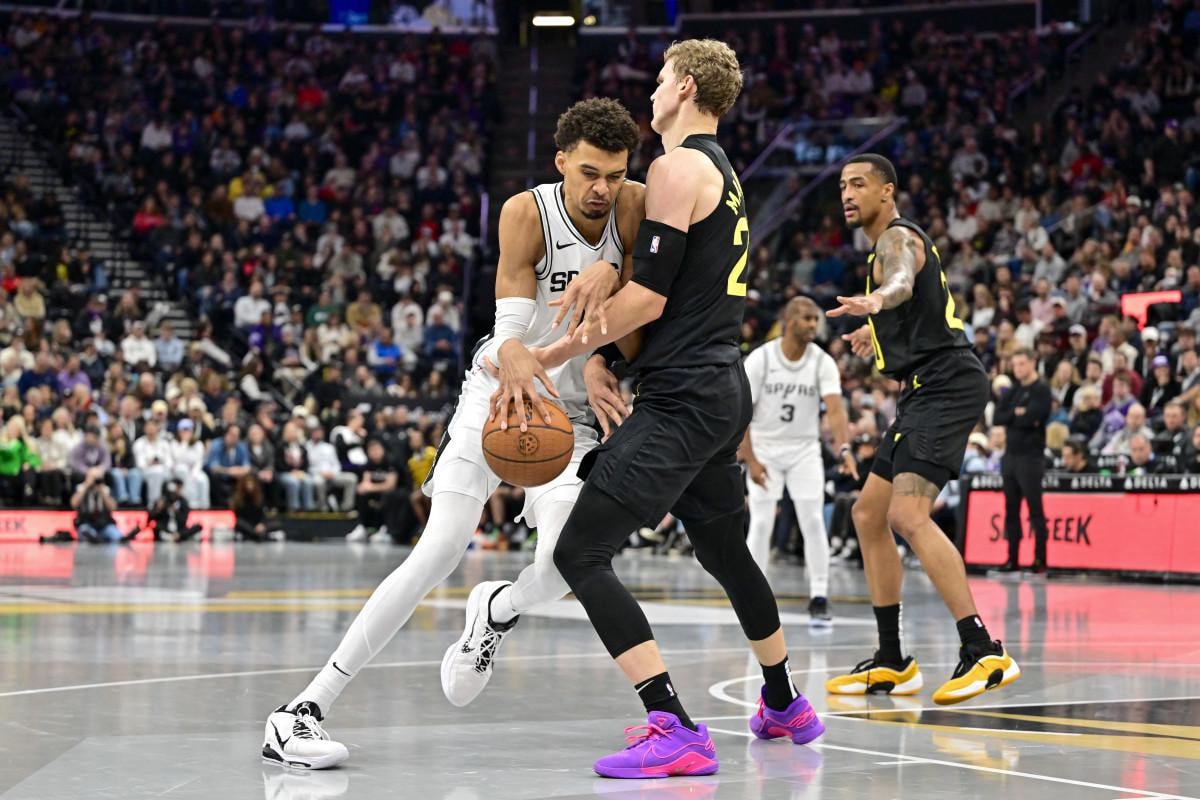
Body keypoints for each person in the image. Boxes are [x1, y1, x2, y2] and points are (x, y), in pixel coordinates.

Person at [262, 97, 645, 770]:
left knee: (567, 566)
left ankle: (496, 610)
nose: (602, 189)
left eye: (614, 175)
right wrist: (519, 352)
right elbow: (510, 331)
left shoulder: (635, 208)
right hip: (499, 393)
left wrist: (608, 328)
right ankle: (301, 711)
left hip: (573, 417)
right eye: (589, 173)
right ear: (561, 162)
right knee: (438, 549)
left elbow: (641, 319)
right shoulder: (526, 211)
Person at [534, 40, 822, 778]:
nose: (652, 90)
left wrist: (550, 354)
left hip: (686, 396)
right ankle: (784, 702)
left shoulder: (676, 166)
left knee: (579, 552)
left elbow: (649, 298)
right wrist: (605, 345)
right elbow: (666, 285)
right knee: (724, 551)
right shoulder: (722, 174)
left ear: (686, 86)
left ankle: (674, 726)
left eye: (661, 79)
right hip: (721, 386)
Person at [825, 153, 1020, 704]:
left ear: (887, 191)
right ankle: (892, 661)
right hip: (921, 389)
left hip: (946, 383)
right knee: (868, 514)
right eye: (842, 185)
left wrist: (878, 300)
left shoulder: (897, 237)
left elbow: (902, 279)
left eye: (859, 184)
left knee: (907, 515)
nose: (848, 193)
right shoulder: (880, 247)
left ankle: (983, 650)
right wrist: (874, 330)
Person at [739, 296, 854, 625]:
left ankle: (819, 595)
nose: (813, 324)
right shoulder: (761, 359)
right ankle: (753, 596)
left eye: (816, 319)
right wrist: (751, 459)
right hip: (765, 447)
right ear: (788, 322)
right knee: (762, 522)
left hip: (804, 449)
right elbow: (742, 413)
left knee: (813, 520)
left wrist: (844, 449)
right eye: (806, 318)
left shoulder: (821, 362)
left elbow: (836, 410)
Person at [993, 348, 1052, 573]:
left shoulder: (1041, 389)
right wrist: (1016, 414)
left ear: (1032, 363)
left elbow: (1034, 418)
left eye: (1021, 364)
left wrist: (1017, 416)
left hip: (1031, 456)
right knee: (1011, 509)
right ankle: (1012, 559)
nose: (1017, 368)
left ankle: (1039, 559)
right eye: (1015, 364)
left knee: (1035, 509)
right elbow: (998, 417)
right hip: (1011, 456)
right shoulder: (1014, 390)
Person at [71, 471, 122, 543]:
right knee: (85, 531)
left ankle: (99, 538)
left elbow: (113, 507)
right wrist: (86, 486)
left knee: (116, 535)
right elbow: (74, 504)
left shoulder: (106, 489)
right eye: (92, 477)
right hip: (86, 523)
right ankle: (95, 538)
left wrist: (103, 493)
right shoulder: (81, 488)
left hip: (104, 524)